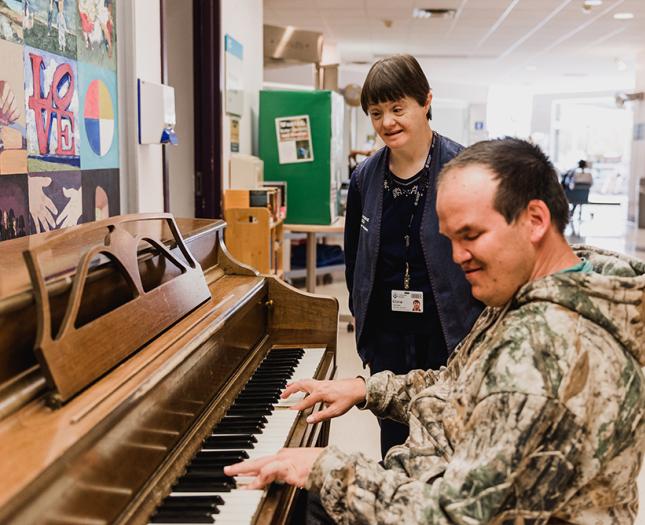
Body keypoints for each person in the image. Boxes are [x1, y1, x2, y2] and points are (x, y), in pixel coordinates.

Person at [225, 138, 645, 524]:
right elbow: (459, 386)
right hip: (427, 479)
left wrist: (327, 468)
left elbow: (454, 518)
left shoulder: (544, 355)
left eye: (471, 235)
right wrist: (367, 389)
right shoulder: (537, 290)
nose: (457, 257)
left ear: (535, 219)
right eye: (450, 238)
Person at [343, 54, 483, 456]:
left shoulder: (464, 169)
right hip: (387, 339)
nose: (387, 122)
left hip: (448, 334)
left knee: (448, 446)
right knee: (395, 449)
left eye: (398, 108)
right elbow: (357, 261)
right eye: (376, 112)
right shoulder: (364, 178)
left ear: (426, 102)